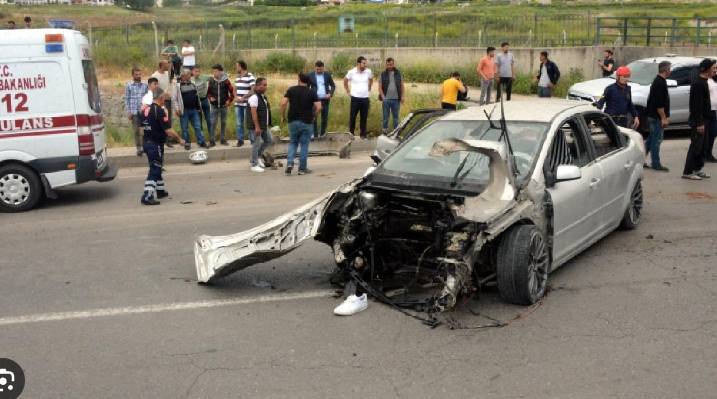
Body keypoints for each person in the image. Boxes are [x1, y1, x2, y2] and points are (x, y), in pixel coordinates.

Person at [140, 89, 184, 206]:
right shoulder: (158, 110)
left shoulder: (144, 109)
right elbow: (168, 130)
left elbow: (141, 129)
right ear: (160, 98)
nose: (165, 100)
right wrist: (180, 139)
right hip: (155, 144)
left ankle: (160, 191)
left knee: (156, 166)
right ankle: (147, 195)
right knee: (155, 169)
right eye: (164, 97)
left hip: (147, 142)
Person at [281, 73, 321, 176]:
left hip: (293, 121)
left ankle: (290, 163)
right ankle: (302, 169)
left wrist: (283, 116)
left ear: (299, 79)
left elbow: (283, 103)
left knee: (293, 143)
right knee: (304, 145)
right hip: (307, 122)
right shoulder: (312, 92)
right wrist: (314, 116)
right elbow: (319, 107)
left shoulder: (291, 90)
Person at [682, 58, 715, 181]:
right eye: (713, 68)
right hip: (699, 121)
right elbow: (696, 106)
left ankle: (697, 169)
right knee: (696, 146)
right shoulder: (698, 84)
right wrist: (700, 123)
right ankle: (687, 171)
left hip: (706, 119)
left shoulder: (705, 81)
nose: (715, 70)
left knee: (703, 147)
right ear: (706, 70)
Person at [645, 61, 672, 172]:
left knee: (651, 139)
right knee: (656, 140)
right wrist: (664, 118)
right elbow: (659, 105)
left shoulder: (658, 81)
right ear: (666, 70)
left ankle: (641, 159)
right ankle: (656, 164)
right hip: (656, 117)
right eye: (670, 69)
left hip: (653, 116)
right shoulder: (660, 83)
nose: (671, 71)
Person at [173, 69, 207, 150]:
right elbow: (174, 99)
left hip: (194, 110)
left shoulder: (193, 84)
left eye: (189, 74)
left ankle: (201, 142)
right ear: (183, 76)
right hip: (184, 110)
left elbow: (196, 97)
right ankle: (187, 143)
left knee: (198, 127)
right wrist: (177, 109)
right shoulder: (178, 85)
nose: (189, 76)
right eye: (188, 74)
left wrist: (199, 107)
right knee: (185, 128)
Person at [344, 56, 373, 139]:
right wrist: (348, 91)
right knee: (352, 117)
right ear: (358, 63)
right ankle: (351, 134)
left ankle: (363, 135)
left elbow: (371, 79)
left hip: (365, 98)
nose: (365, 65)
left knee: (364, 117)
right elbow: (345, 80)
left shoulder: (368, 71)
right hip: (355, 98)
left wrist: (369, 88)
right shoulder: (352, 72)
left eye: (366, 63)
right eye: (363, 63)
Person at [247, 78, 272, 173]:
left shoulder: (262, 97)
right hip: (256, 127)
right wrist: (257, 126)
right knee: (256, 144)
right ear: (257, 86)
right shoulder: (254, 98)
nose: (266, 87)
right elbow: (254, 113)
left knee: (268, 140)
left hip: (263, 126)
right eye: (264, 85)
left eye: (266, 85)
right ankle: (254, 164)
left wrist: (267, 124)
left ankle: (257, 157)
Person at [207, 64, 234, 146]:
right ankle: (212, 140)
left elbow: (232, 92)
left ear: (221, 72)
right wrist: (210, 98)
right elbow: (208, 93)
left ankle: (223, 139)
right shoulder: (211, 81)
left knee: (223, 122)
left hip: (223, 106)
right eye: (213, 71)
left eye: (216, 71)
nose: (214, 73)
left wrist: (229, 101)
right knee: (213, 123)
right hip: (214, 106)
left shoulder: (226, 81)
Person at [124, 66, 149, 157]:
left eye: (139, 74)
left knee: (146, 130)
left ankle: (145, 147)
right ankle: (139, 148)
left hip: (144, 111)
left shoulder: (145, 85)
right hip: (134, 112)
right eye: (136, 74)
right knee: (136, 131)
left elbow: (148, 98)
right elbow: (126, 99)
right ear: (132, 75)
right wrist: (129, 112)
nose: (138, 76)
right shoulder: (129, 85)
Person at [308, 60, 336, 138]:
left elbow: (333, 85)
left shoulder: (327, 75)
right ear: (315, 68)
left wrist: (330, 94)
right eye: (317, 69)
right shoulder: (310, 75)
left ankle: (322, 134)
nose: (319, 71)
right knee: (314, 117)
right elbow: (306, 87)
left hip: (325, 100)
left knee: (324, 118)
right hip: (315, 100)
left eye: (320, 69)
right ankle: (315, 135)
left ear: (323, 68)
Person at [378, 57, 404, 134]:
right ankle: (385, 132)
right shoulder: (383, 74)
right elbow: (380, 86)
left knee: (396, 118)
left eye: (391, 64)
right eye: (388, 64)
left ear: (393, 64)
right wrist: (383, 97)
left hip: (396, 100)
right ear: (386, 65)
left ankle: (396, 132)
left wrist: (402, 96)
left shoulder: (398, 73)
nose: (390, 66)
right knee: (385, 118)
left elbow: (402, 85)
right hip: (386, 100)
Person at [234, 60, 255, 147]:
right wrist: (235, 97)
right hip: (238, 104)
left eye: (236, 66)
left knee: (249, 123)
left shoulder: (250, 76)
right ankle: (240, 140)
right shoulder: (237, 77)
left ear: (241, 67)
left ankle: (252, 140)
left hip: (247, 104)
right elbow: (234, 89)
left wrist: (243, 97)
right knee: (239, 123)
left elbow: (253, 90)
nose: (235, 68)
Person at [190, 66, 212, 138]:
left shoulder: (204, 77)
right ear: (192, 72)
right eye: (195, 71)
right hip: (196, 102)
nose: (197, 73)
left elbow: (213, 78)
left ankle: (211, 137)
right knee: (199, 121)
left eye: (198, 71)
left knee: (208, 119)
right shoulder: (191, 80)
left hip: (204, 100)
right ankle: (201, 138)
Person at [704, 66, 717, 163]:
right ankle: (703, 154)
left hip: (714, 111)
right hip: (706, 111)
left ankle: (708, 153)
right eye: (714, 68)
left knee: (713, 133)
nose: (715, 70)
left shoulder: (713, 80)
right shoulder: (704, 81)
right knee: (705, 135)